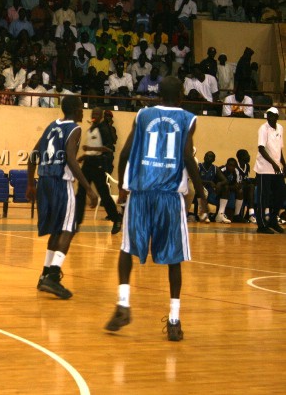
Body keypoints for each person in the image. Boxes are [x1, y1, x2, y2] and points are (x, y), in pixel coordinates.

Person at [104, 76, 208, 342]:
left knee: (127, 248)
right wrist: (201, 192)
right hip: (169, 196)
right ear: (181, 96)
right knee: (174, 258)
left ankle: (123, 305)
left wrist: (123, 186)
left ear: (158, 94)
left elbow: (125, 154)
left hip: (140, 193)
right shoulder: (188, 118)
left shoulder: (143, 115)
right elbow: (187, 156)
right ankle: (173, 320)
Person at [26, 95, 98, 300]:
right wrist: (88, 188)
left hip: (44, 182)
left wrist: (30, 184)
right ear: (76, 110)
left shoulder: (51, 126)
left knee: (57, 230)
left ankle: (45, 274)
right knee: (69, 228)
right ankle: (53, 275)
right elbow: (71, 159)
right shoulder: (74, 129)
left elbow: (33, 155)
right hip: (60, 183)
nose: (83, 111)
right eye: (81, 108)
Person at [77, 108, 122, 233]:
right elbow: (92, 150)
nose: (94, 115)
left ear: (101, 115)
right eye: (93, 113)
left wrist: (89, 148)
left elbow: (108, 149)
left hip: (98, 164)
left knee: (104, 194)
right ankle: (76, 221)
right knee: (81, 192)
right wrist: (84, 156)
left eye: (97, 114)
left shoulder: (104, 129)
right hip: (88, 163)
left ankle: (116, 218)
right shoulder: (91, 129)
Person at [254, 107, 286, 234]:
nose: (270, 117)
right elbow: (261, 149)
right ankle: (261, 225)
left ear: (277, 117)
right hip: (264, 169)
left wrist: (284, 164)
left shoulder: (280, 128)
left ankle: (273, 221)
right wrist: (273, 163)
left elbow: (279, 149)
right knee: (264, 197)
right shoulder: (263, 128)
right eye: (268, 115)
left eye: (272, 115)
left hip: (277, 169)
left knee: (280, 194)